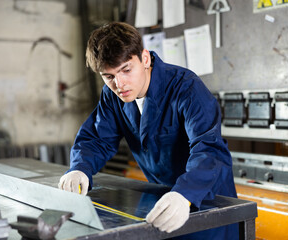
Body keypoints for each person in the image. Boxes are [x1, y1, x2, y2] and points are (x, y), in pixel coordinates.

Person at [58, 22, 238, 239]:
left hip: (208, 199)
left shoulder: (186, 88)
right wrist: (79, 168)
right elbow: (97, 139)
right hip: (162, 198)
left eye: (126, 70)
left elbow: (209, 150)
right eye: (109, 76)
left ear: (144, 59)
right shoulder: (112, 95)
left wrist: (185, 194)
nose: (119, 84)